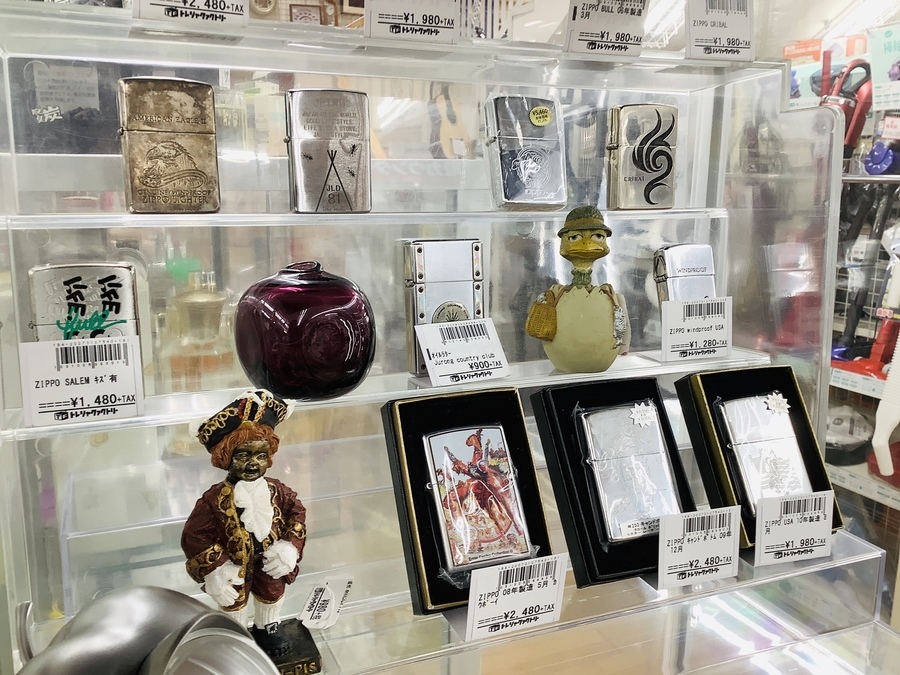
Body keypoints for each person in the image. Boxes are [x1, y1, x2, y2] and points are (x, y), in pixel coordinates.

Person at [181, 389, 306, 658]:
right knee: (233, 599)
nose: (252, 463)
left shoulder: (278, 490)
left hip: (269, 561)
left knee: (272, 591)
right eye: (242, 455)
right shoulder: (213, 499)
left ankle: (268, 628)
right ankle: (236, 635)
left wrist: (289, 547)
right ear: (226, 457)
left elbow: (296, 514)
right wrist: (215, 568)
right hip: (233, 565)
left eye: (260, 456)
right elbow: (194, 535)